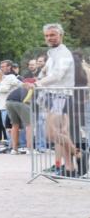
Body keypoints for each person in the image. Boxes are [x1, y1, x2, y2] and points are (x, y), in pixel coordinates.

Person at [29, 23, 78, 175]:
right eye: (47, 36)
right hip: (52, 95)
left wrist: (38, 83)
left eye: (53, 35)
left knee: (51, 134)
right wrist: (40, 77)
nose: (49, 38)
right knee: (61, 133)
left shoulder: (63, 53)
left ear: (60, 36)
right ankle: (68, 167)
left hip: (60, 95)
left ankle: (79, 154)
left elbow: (58, 75)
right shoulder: (52, 53)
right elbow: (46, 72)